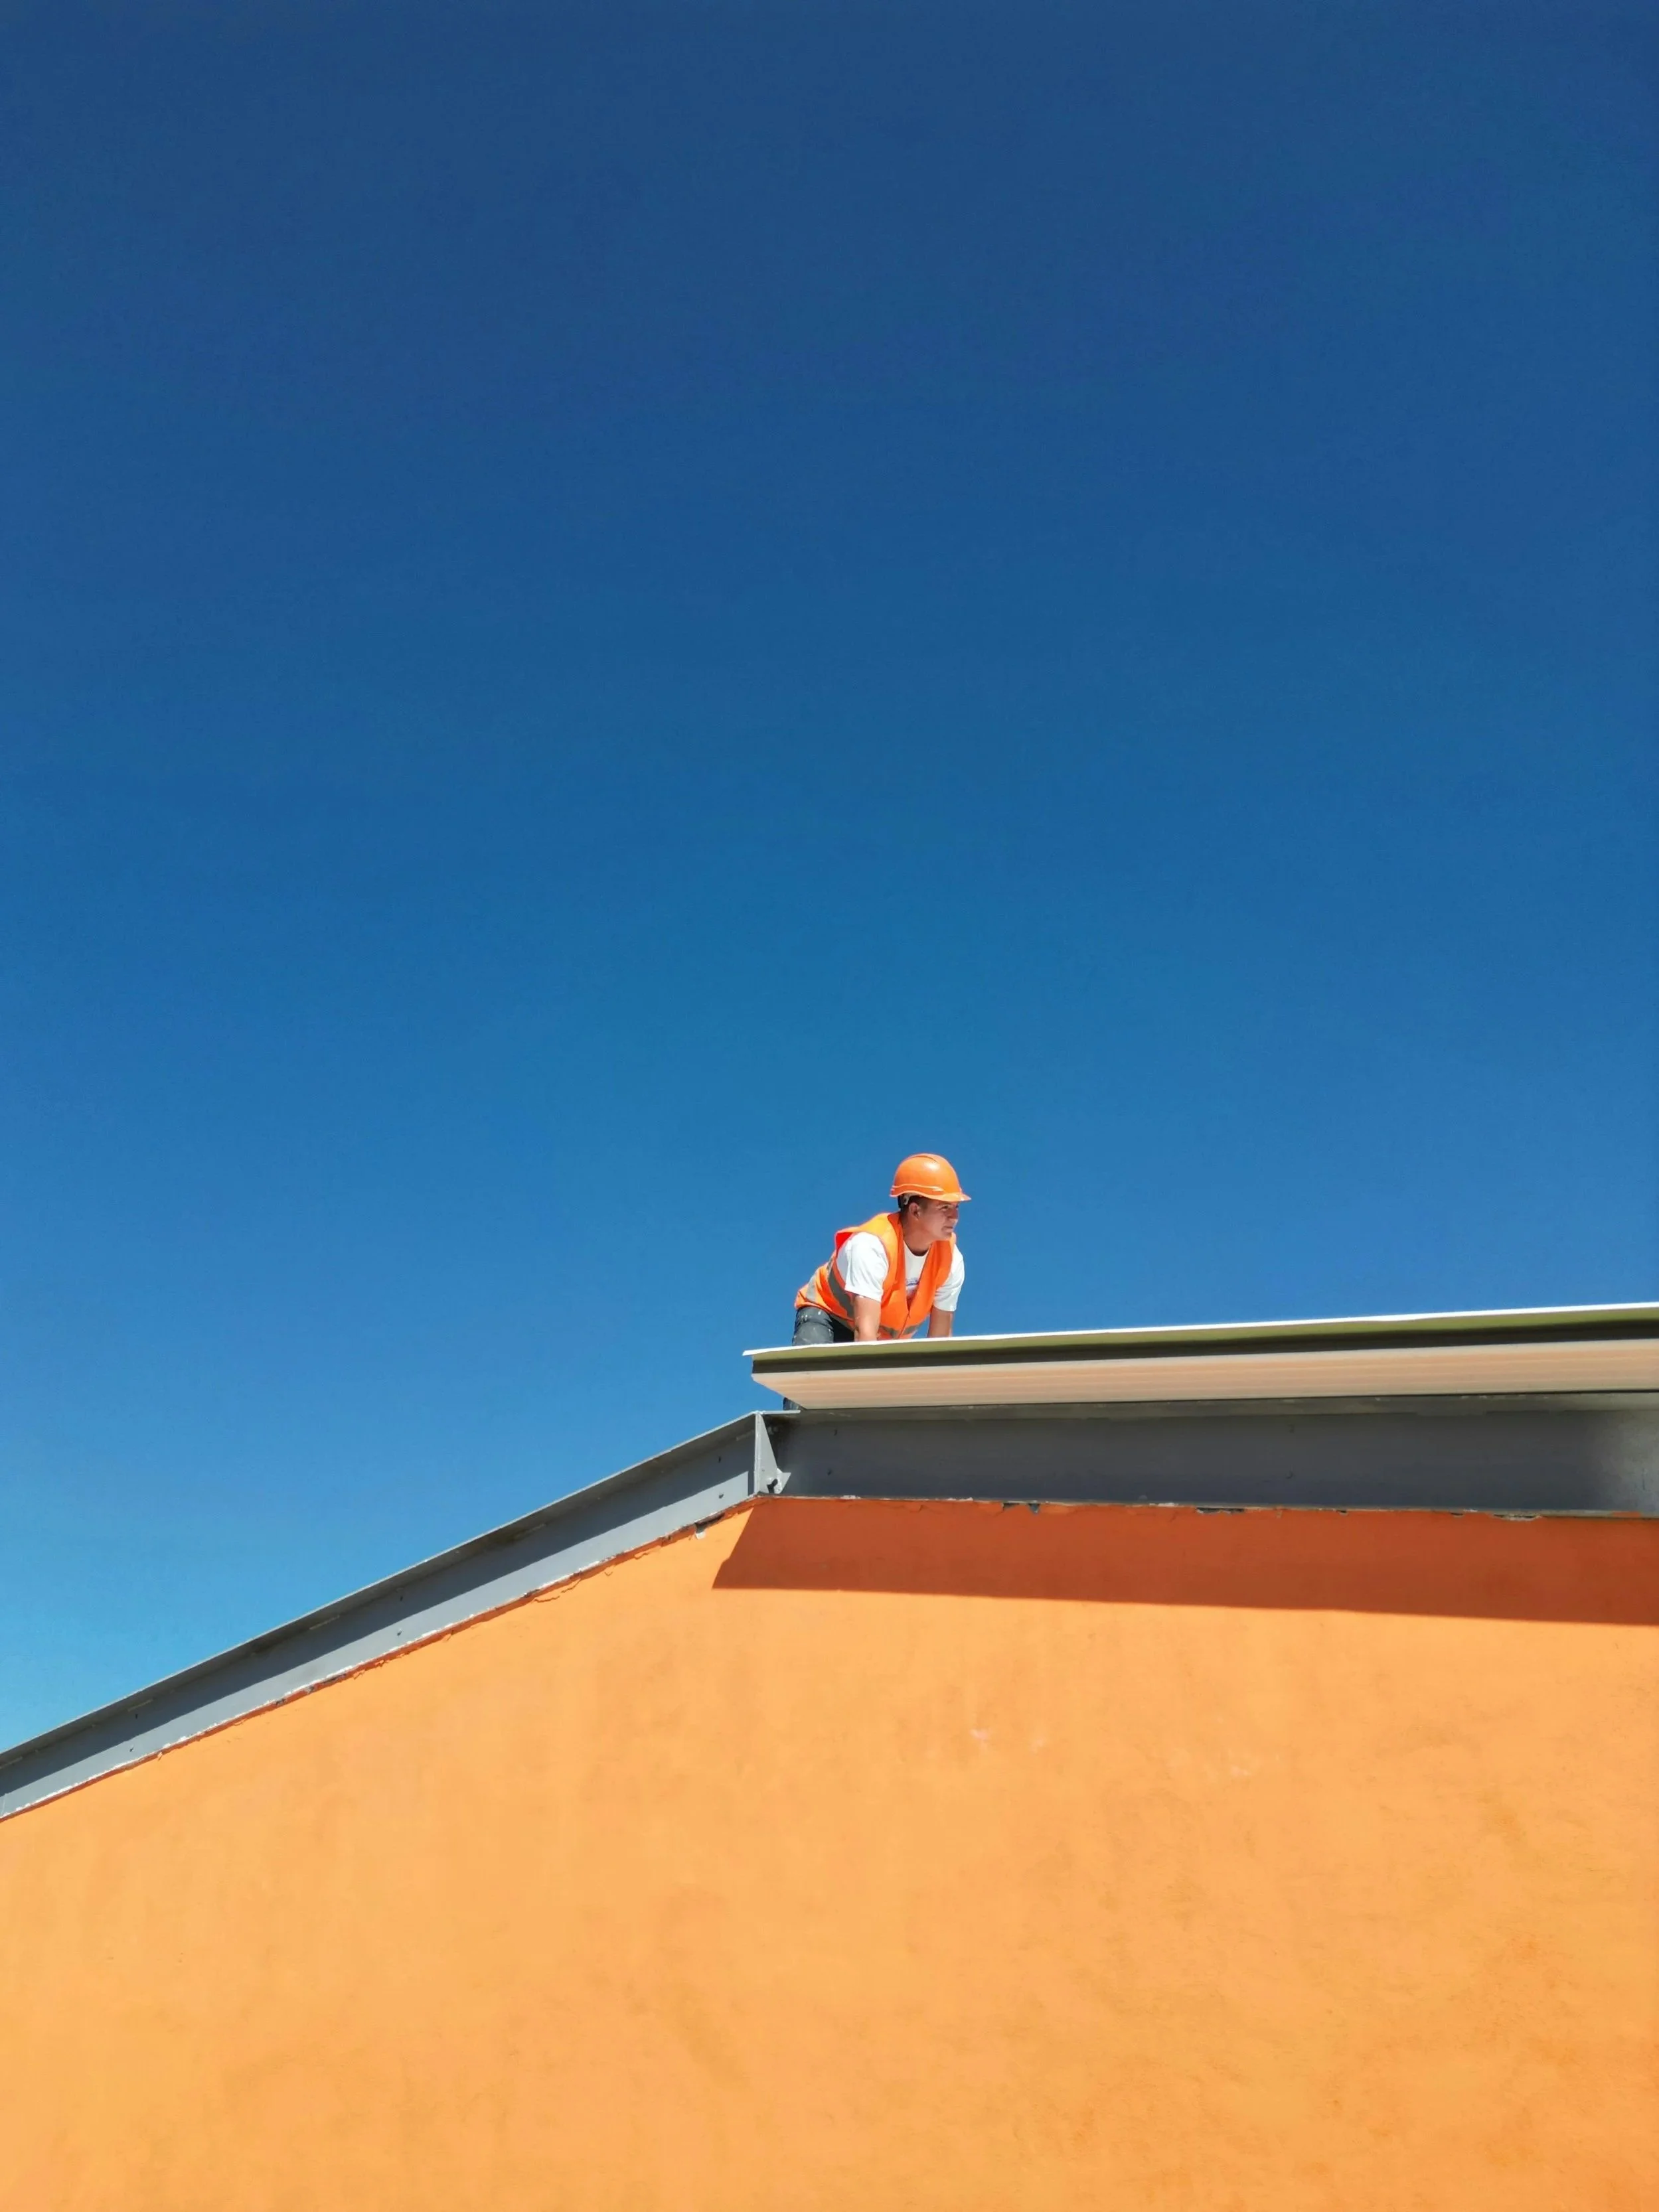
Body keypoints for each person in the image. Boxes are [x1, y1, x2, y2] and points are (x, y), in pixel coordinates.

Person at [794, 1154, 969, 1346]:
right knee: (815, 1373)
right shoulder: (871, 1247)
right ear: (915, 1210)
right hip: (828, 1318)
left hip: (882, 1336)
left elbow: (940, 1341)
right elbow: (865, 1336)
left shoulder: (951, 1260)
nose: (955, 1217)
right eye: (945, 1208)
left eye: (956, 1207)